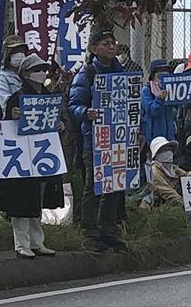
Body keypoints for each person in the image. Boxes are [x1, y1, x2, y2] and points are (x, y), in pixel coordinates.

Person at [0, 54, 60, 260]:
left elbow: (54, 121)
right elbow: (7, 125)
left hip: (42, 153)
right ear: (25, 74)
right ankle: (21, 243)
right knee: (20, 199)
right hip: (21, 154)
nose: (42, 73)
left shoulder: (49, 96)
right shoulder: (17, 96)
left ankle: (37, 241)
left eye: (43, 69)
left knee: (38, 199)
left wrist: (59, 125)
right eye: (36, 70)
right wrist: (12, 116)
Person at [68, 29, 127, 252]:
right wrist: (86, 112)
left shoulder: (120, 72)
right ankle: (90, 231)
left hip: (118, 137)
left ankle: (108, 231)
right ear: (94, 49)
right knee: (94, 185)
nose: (111, 47)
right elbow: (73, 105)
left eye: (113, 43)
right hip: (94, 139)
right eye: (105, 43)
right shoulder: (87, 74)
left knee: (115, 185)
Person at [141, 59, 176, 147]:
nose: (163, 78)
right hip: (154, 137)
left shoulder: (170, 89)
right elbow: (151, 111)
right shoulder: (146, 90)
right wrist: (159, 99)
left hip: (169, 135)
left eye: (166, 74)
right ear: (153, 76)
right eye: (160, 75)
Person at [146, 137, 190, 207]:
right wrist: (185, 204)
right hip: (160, 207)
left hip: (175, 203)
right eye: (164, 150)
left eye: (169, 149)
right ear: (157, 154)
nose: (168, 152)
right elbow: (167, 191)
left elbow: (186, 175)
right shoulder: (154, 171)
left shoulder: (173, 168)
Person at [0, 35, 28, 112]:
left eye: (22, 51)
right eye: (16, 51)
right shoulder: (1, 76)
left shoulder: (26, 74)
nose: (20, 55)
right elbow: (5, 103)